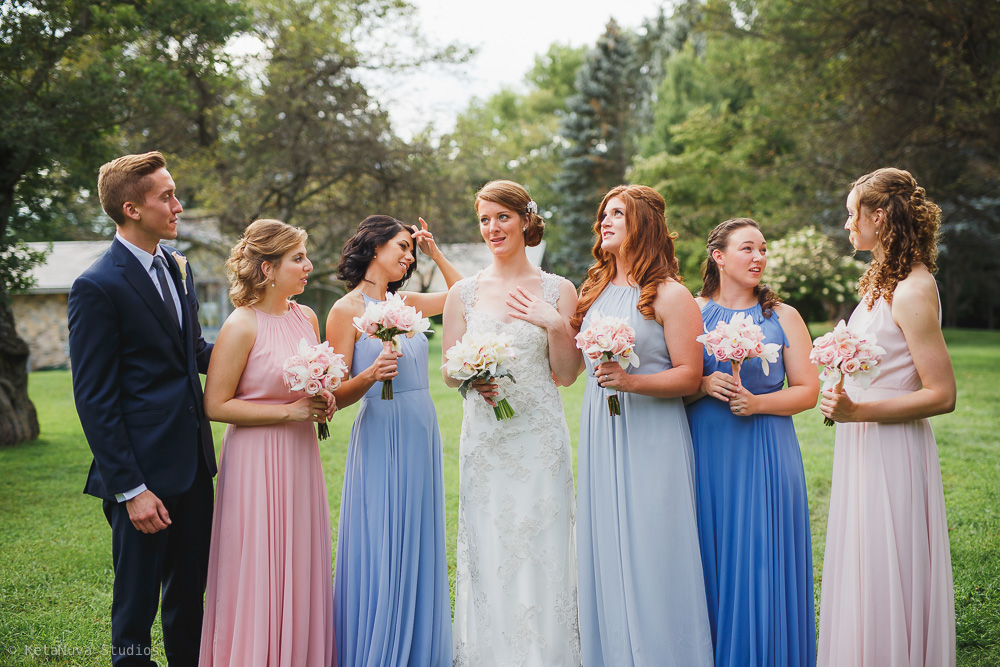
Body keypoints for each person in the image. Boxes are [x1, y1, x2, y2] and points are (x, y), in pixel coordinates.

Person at [68, 151, 215, 666]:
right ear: (132, 208)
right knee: (135, 611)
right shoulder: (96, 286)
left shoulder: (178, 269)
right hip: (142, 479)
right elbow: (94, 397)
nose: (179, 205)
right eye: (166, 197)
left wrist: (276, 361)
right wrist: (132, 490)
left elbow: (194, 352)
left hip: (195, 468)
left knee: (188, 602)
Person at [818, 167, 957, 666]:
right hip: (863, 442)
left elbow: (942, 394)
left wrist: (860, 410)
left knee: (886, 564)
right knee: (863, 565)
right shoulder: (881, 282)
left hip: (893, 448)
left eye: (851, 213)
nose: (847, 225)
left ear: (878, 216)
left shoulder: (914, 289)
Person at [572, 184, 713, 667]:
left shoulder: (671, 295)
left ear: (643, 225)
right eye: (603, 214)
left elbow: (690, 375)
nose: (604, 222)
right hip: (600, 428)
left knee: (655, 545)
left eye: (617, 214)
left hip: (652, 433)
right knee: (604, 540)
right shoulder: (596, 291)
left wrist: (631, 382)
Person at [441, 180, 581, 665]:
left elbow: (566, 374)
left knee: (542, 540)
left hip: (539, 437)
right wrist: (470, 376)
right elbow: (447, 368)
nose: (493, 228)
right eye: (484, 219)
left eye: (502, 216)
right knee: (492, 543)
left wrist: (555, 322)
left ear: (525, 220)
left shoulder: (559, 289)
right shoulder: (462, 293)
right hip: (486, 439)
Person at [198, 219, 337, 667]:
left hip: (299, 457)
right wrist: (289, 412)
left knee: (300, 561)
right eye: (297, 258)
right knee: (259, 565)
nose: (308, 265)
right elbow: (215, 405)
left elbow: (305, 384)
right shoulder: (241, 325)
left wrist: (322, 395)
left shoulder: (307, 317)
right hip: (255, 461)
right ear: (267, 268)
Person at [325, 215, 460, 667]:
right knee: (383, 534)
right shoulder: (345, 311)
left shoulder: (409, 303)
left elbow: (464, 298)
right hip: (381, 429)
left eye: (411, 250)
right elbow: (334, 397)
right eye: (401, 247)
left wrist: (435, 252)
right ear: (373, 246)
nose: (408, 256)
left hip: (422, 427)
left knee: (419, 532)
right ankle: (378, 645)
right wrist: (370, 374)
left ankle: (418, 645)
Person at [685, 218, 819, 667]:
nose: (759, 257)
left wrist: (757, 405)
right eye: (748, 248)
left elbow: (807, 390)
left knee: (762, 557)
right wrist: (702, 383)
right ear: (718, 256)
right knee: (708, 553)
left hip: (765, 449)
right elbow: (675, 383)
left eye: (763, 249)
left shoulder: (782, 317)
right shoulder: (691, 310)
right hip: (707, 451)